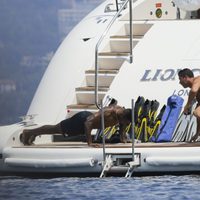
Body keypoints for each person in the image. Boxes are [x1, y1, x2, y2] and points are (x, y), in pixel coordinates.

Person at [20, 99, 132, 146]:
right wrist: (90, 143)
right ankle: (28, 133)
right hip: (82, 119)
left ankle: (33, 133)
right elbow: (88, 122)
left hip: (86, 121)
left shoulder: (122, 115)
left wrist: (123, 139)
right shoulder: (109, 112)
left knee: (56, 130)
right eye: (127, 122)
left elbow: (123, 125)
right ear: (123, 116)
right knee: (56, 129)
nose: (126, 125)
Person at [178, 68, 200, 142]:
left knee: (197, 112)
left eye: (180, 79)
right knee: (197, 111)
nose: (179, 82)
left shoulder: (197, 80)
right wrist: (197, 134)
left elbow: (193, 90)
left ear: (185, 78)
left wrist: (187, 105)